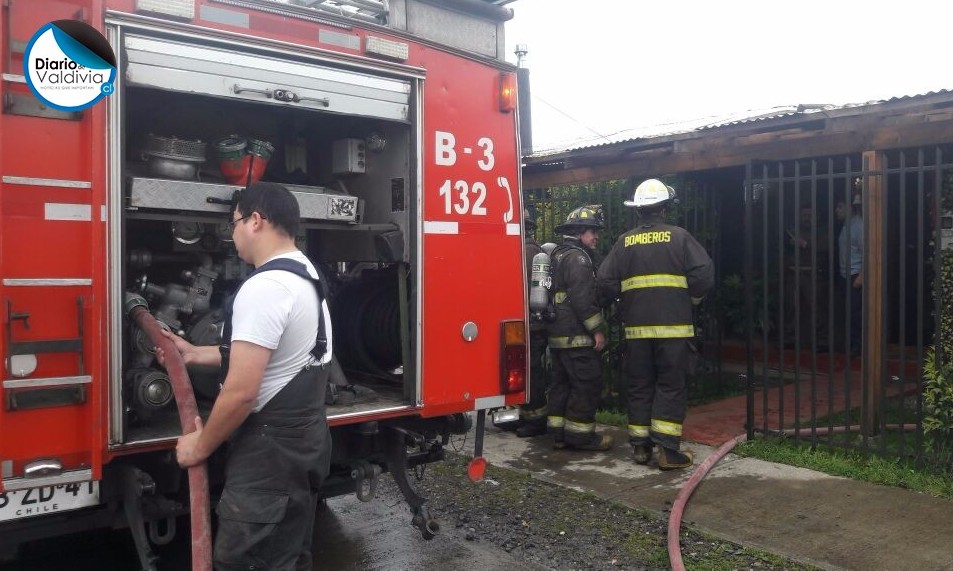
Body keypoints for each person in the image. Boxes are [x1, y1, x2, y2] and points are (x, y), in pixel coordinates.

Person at [156, 182, 333, 570]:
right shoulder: (304, 274)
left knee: (246, 560)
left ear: (256, 220)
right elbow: (276, 355)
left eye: (234, 222)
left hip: (269, 458)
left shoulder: (266, 287)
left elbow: (241, 394)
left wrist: (200, 446)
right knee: (285, 555)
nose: (232, 233)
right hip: (303, 442)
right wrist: (194, 353)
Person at [597, 179, 713, 470]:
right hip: (674, 330)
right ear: (664, 209)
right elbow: (704, 275)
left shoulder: (624, 242)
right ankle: (668, 450)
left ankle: (640, 447)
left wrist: (627, 301)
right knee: (671, 385)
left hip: (636, 332)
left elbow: (606, 281)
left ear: (638, 212)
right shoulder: (680, 237)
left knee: (639, 385)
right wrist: (693, 300)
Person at [545, 205, 613, 451]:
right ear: (579, 232)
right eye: (592, 232)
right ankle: (581, 436)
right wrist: (597, 329)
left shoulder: (556, 255)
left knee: (562, 384)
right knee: (587, 383)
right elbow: (583, 298)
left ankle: (559, 434)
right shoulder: (579, 258)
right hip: (577, 337)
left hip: (557, 337)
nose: (596, 237)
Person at [517, 208, 551, 438]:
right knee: (531, 371)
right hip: (536, 324)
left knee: (531, 373)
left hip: (528, 325)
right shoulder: (537, 252)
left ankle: (535, 420)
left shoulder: (522, 252)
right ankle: (528, 416)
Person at [783, 202, 830, 349]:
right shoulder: (793, 231)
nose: (806, 218)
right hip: (793, 274)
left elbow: (825, 247)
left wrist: (804, 244)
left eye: (810, 215)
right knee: (791, 308)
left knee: (816, 309)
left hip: (812, 275)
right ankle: (790, 339)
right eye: (804, 215)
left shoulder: (822, 231)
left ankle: (821, 342)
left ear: (817, 217)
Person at [839, 192, 863, 357]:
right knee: (849, 312)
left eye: (840, 207)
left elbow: (867, 252)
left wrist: (861, 277)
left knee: (856, 314)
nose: (836, 210)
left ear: (850, 208)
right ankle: (852, 345)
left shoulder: (858, 226)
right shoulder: (845, 226)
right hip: (845, 275)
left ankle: (858, 346)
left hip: (855, 275)